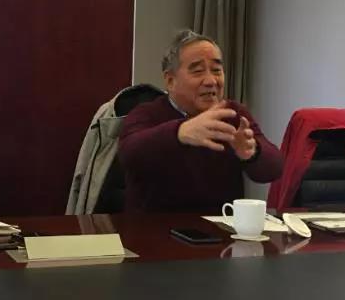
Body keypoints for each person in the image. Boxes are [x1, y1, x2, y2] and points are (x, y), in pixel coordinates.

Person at [117, 30, 283, 213]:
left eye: (216, 70)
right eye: (197, 71)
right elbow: (129, 154)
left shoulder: (232, 114)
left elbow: (274, 168)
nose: (211, 81)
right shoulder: (146, 113)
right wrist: (180, 132)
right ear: (170, 80)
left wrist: (252, 152)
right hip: (156, 226)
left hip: (221, 226)